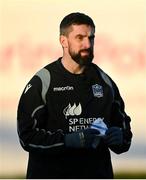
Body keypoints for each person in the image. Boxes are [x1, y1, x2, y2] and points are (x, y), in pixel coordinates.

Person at [17, 12, 132, 179]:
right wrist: (68, 141)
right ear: (63, 41)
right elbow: (26, 137)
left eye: (91, 38)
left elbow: (124, 130)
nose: (87, 44)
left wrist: (120, 137)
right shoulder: (43, 81)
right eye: (80, 37)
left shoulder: (105, 82)